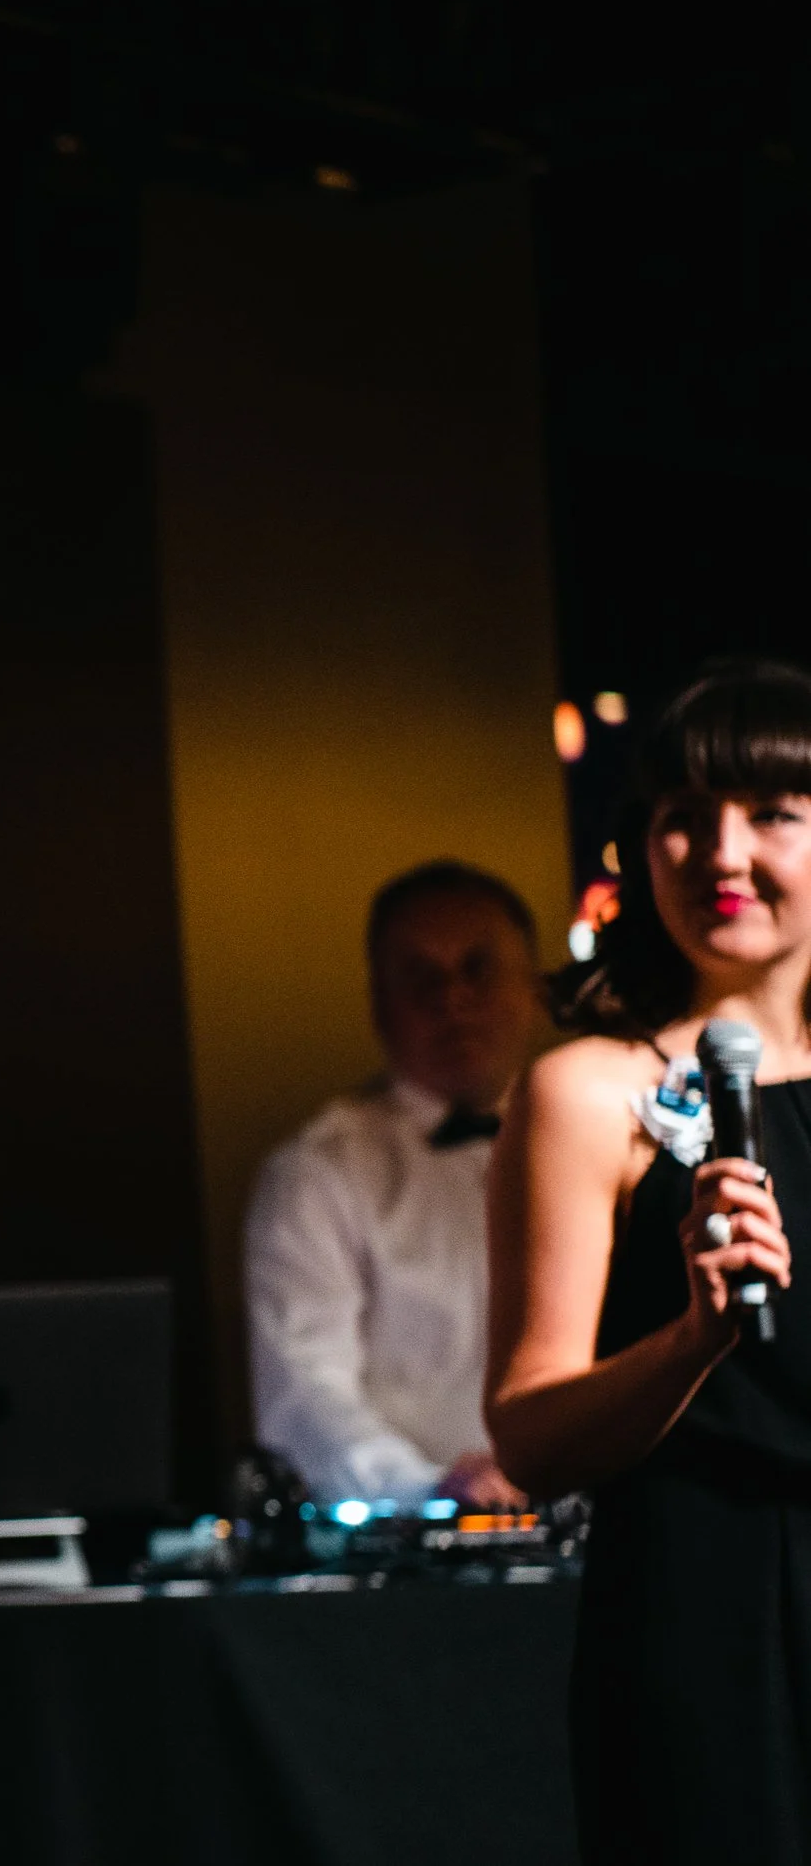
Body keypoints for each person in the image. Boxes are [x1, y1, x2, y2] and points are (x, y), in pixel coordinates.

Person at [488, 659, 811, 1865]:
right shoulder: (591, 1093)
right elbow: (526, 1434)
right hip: (709, 1617)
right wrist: (696, 1337)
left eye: (771, 813)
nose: (720, 854)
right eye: (681, 818)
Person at [245, 860, 543, 1508]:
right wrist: (428, 1489)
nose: (452, 998)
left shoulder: (618, 1137)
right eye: (420, 977)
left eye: (477, 967)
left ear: (535, 983)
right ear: (378, 1003)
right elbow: (303, 1387)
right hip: (421, 1536)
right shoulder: (319, 1170)